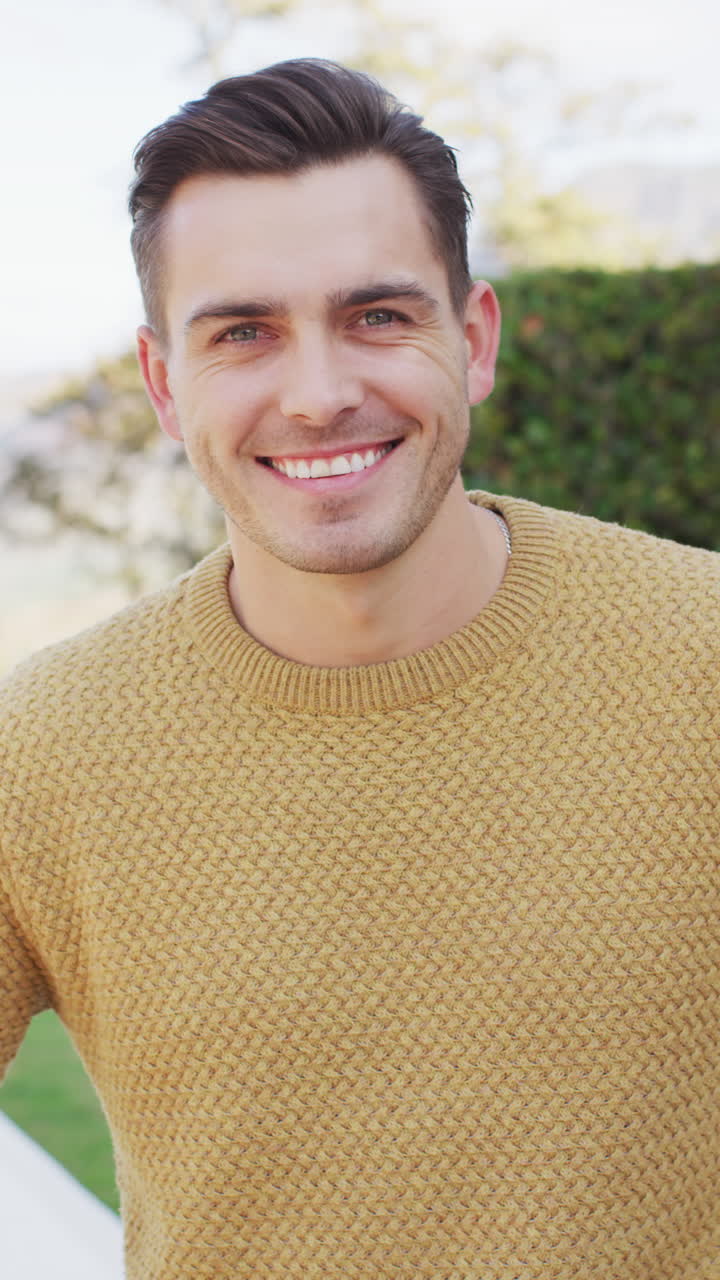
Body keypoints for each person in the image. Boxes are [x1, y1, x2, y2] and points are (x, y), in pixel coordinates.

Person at [1, 58, 719, 1280]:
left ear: (473, 340)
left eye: (378, 315)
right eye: (244, 333)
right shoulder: (44, 747)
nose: (321, 394)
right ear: (167, 385)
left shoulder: (702, 659)